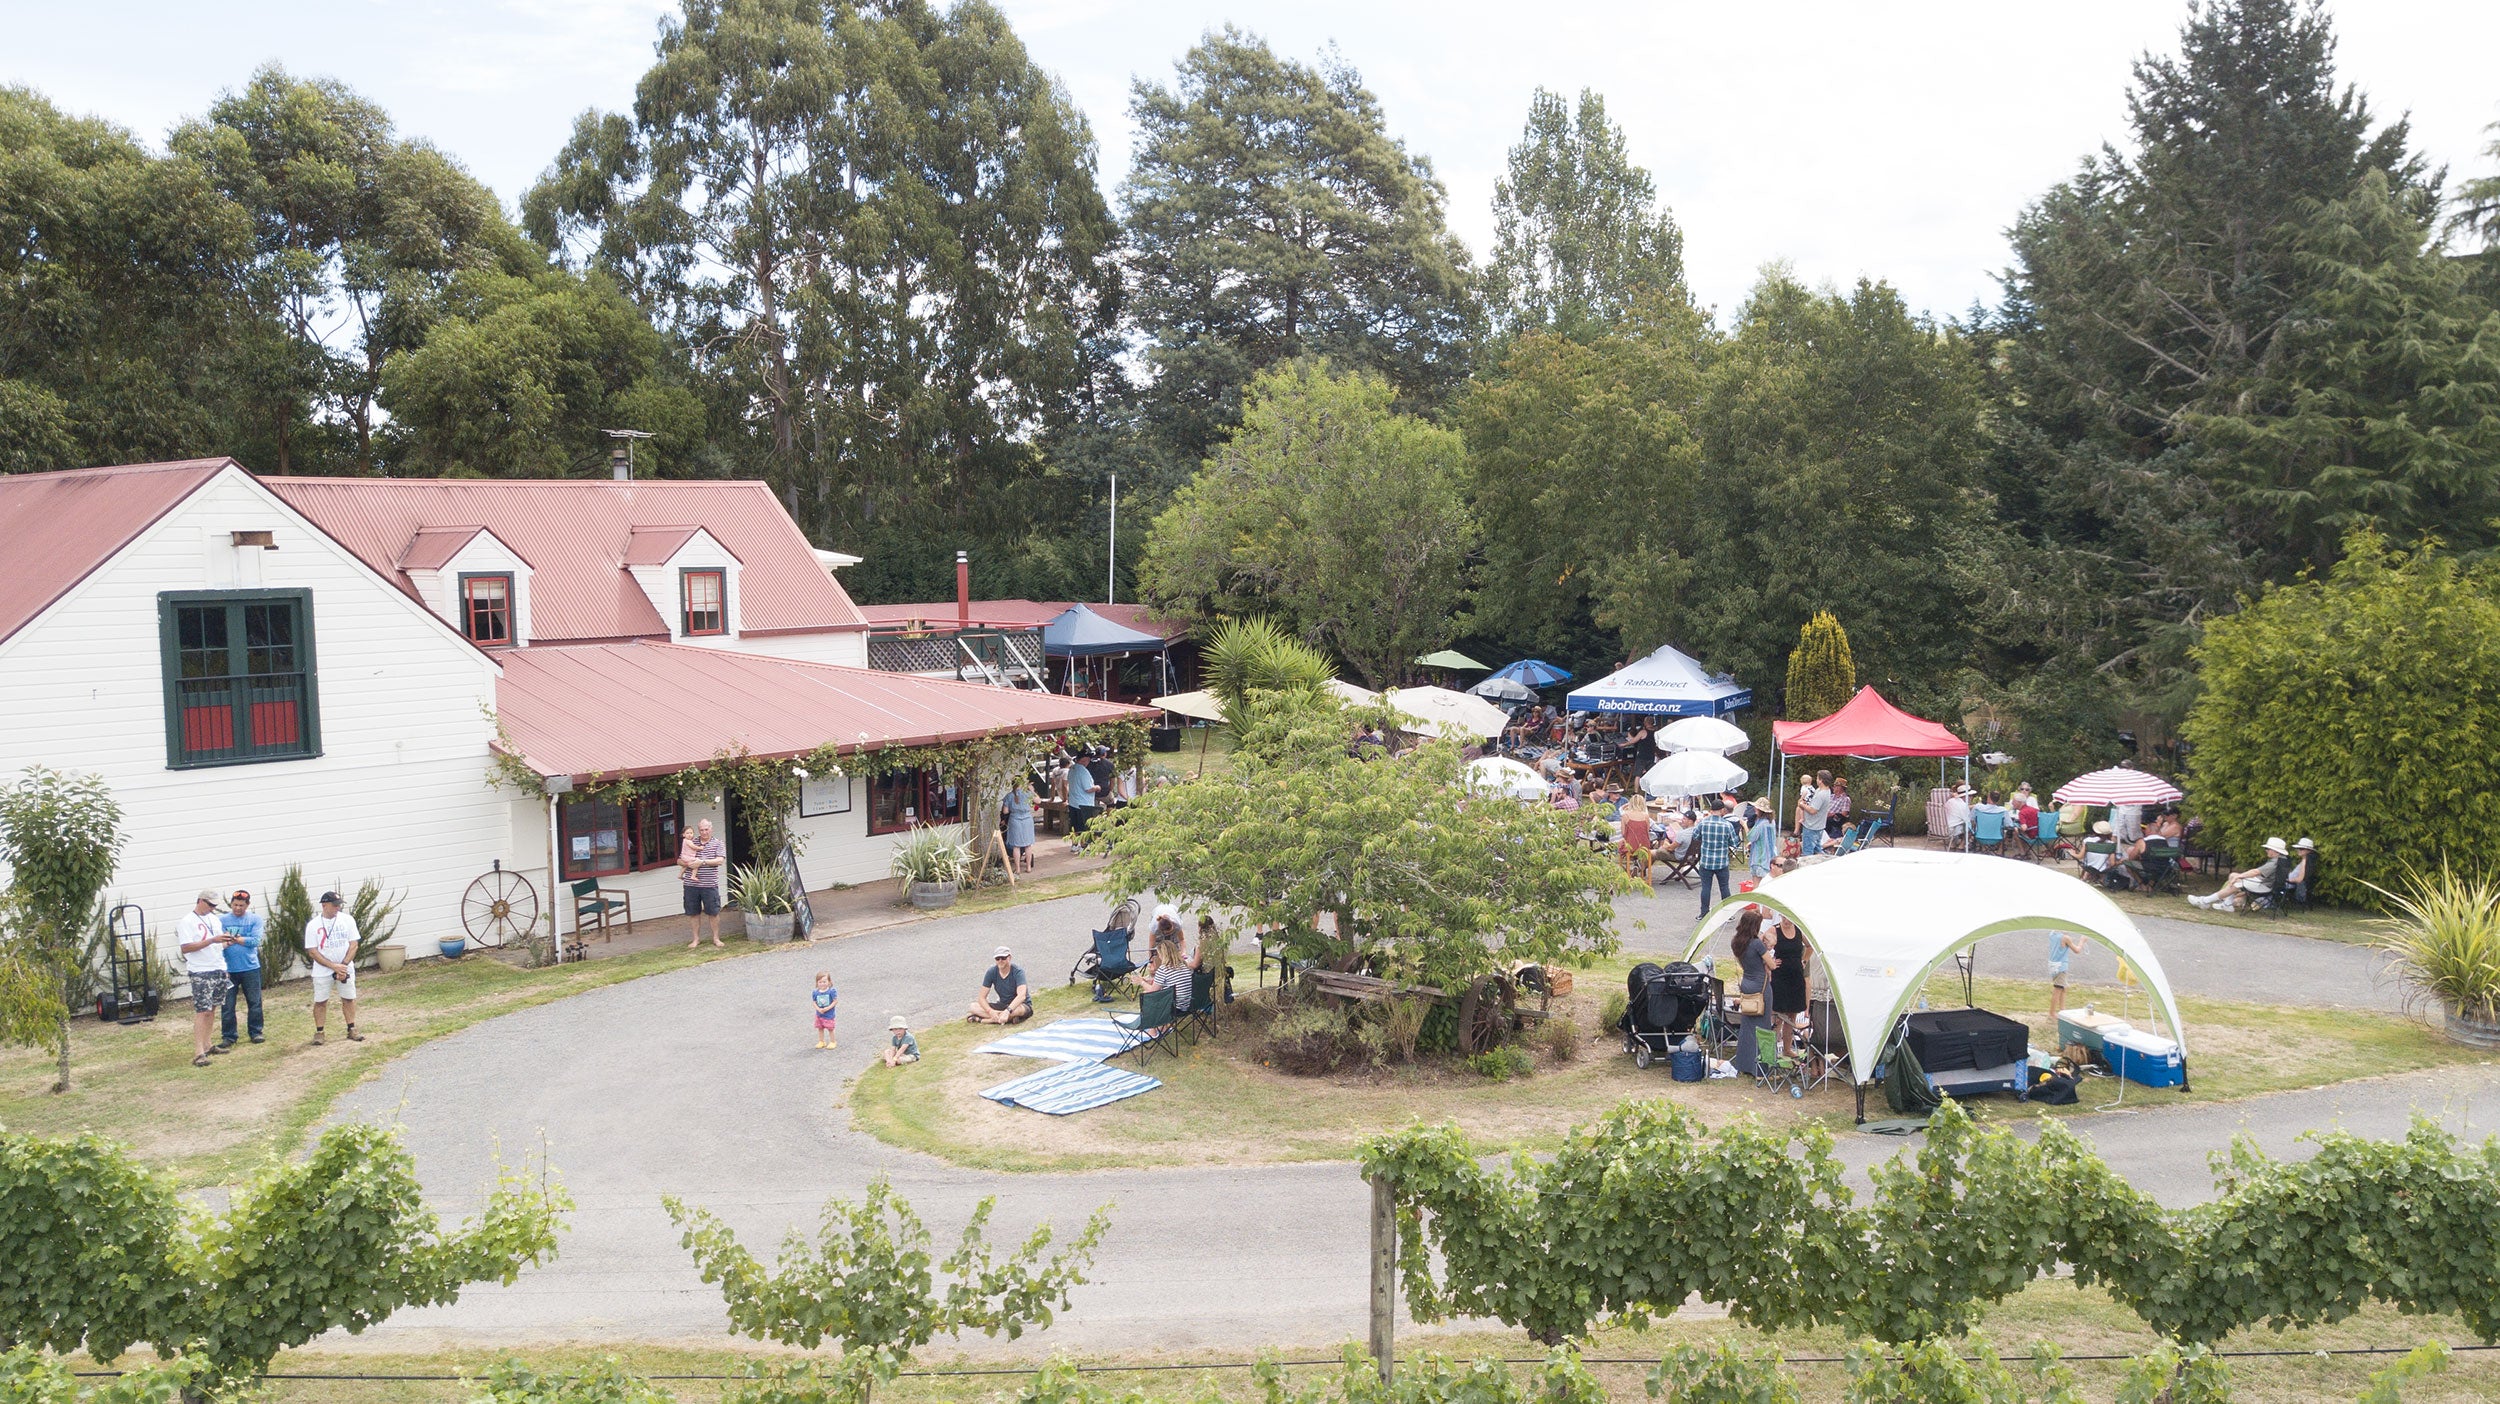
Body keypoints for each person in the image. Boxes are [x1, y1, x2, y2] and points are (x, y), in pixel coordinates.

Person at [179, 891, 236, 1068]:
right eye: (210, 905)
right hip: (200, 971)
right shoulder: (187, 921)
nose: (212, 908)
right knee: (202, 1010)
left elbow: (218, 945)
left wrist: (227, 941)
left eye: (215, 906)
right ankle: (198, 1052)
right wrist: (212, 940)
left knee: (212, 1009)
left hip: (217, 967)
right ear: (200, 901)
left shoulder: (214, 919)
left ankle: (208, 1044)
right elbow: (186, 948)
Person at [304, 889, 363, 1045]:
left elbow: (354, 944)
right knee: (321, 1000)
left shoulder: (347, 920)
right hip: (323, 970)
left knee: (349, 998)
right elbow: (313, 951)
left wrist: (343, 966)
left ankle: (352, 1028)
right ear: (324, 905)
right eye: (335, 905)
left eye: (339, 905)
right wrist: (333, 966)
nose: (338, 908)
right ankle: (319, 1031)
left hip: (345, 966)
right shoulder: (313, 925)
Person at [217, 887, 266, 1048]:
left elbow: (255, 941)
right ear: (231, 904)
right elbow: (218, 943)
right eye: (235, 905)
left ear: (247, 905)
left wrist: (236, 940)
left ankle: (256, 1031)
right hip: (228, 970)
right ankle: (229, 1036)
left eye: (241, 905)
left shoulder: (255, 920)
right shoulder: (222, 920)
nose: (238, 908)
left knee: (254, 1002)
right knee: (227, 1005)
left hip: (250, 967)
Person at [2190, 837, 2294, 912]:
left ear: (2275, 851)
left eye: (2268, 849)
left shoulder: (2274, 862)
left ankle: (2204, 901)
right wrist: (2238, 875)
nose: (2266, 851)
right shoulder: (2282, 860)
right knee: (2233, 875)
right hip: (2266, 884)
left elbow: (2256, 872)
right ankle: (2227, 904)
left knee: (2236, 882)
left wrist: (2240, 876)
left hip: (2264, 887)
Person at [1729, 907, 1773, 1075]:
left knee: (1747, 1026)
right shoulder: (1757, 944)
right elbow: (1772, 964)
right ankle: (1762, 1067)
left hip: (1746, 983)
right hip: (1760, 987)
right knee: (1763, 1027)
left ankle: (1744, 1063)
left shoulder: (1737, 942)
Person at [678, 818, 727, 948]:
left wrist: (702, 862)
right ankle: (696, 939)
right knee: (693, 913)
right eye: (701, 830)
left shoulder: (718, 843)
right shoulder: (690, 841)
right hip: (691, 884)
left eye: (706, 829)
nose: (704, 832)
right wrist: (688, 863)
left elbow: (720, 860)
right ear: (698, 830)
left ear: (711, 829)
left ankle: (716, 938)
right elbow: (679, 860)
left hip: (709, 884)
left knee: (713, 912)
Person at [1692, 800, 1741, 919]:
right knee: (1724, 887)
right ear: (1723, 810)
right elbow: (1734, 843)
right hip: (1721, 862)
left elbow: (1695, 836)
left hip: (1706, 861)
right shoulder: (1727, 825)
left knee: (1706, 888)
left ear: (1711, 810)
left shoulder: (1703, 823)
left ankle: (1704, 913)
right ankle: (1727, 914)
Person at [1770, 911, 1810, 1059]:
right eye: (1784, 917)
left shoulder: (1799, 930)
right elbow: (1761, 947)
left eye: (1789, 918)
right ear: (1780, 916)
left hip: (1796, 978)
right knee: (1778, 1016)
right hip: (1780, 978)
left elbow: (1810, 946)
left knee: (1792, 1016)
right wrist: (1770, 961)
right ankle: (1772, 1051)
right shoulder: (1775, 930)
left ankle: (1787, 1048)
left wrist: (1804, 960)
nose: (1787, 921)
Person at [969, 946, 1032, 1024]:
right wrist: (990, 1011)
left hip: (1020, 1005)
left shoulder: (1018, 972)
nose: (1000, 961)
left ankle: (985, 1020)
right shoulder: (991, 972)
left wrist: (1008, 1011)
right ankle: (1006, 1018)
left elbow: (1022, 996)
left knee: (1018, 1010)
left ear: (1009, 958)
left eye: (1003, 958)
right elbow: (981, 998)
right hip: (1002, 1004)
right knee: (973, 1007)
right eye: (997, 958)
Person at [2047, 931, 2087, 1021]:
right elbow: (2077, 950)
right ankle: (2052, 1013)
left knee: (2064, 988)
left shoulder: (2052, 933)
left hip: (2053, 965)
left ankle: (2062, 1009)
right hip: (2061, 966)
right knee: (2058, 989)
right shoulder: (2065, 938)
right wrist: (2082, 941)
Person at [1003, 777, 1038, 875]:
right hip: (1027, 819)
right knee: (1028, 845)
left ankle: (1017, 869)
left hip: (1014, 820)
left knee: (1016, 846)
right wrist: (1032, 790)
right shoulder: (1027, 793)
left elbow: (1005, 811)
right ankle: (1028, 867)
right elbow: (1038, 801)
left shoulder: (1009, 796)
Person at [1065, 752, 1100, 845]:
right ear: (1085, 760)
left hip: (1073, 801)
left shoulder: (1072, 769)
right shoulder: (1083, 771)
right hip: (1084, 803)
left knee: (1074, 825)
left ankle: (1074, 844)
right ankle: (1084, 845)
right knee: (1084, 826)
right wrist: (1097, 787)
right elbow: (1088, 789)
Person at [1798, 773, 1832, 853]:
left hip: (1811, 826)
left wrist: (1802, 805)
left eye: (1817, 778)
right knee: (1817, 848)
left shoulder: (1821, 795)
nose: (1816, 780)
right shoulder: (1825, 790)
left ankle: (1807, 865)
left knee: (1807, 851)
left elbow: (1813, 810)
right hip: (1819, 825)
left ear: (1821, 780)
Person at [1746, 799, 1777, 881]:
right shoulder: (1771, 822)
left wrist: (1744, 825)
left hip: (1759, 858)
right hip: (1770, 856)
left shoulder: (1761, 824)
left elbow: (1751, 837)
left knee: (1757, 885)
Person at [812, 971, 839, 1050]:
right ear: (817, 983)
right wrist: (818, 1009)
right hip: (819, 1014)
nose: (822, 984)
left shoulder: (831, 991)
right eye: (820, 982)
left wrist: (828, 1008)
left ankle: (833, 1041)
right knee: (820, 1028)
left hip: (829, 1014)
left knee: (830, 1028)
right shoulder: (815, 992)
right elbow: (814, 1002)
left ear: (829, 982)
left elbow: (835, 1001)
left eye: (824, 982)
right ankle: (821, 1041)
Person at [1944, 784, 1974, 850]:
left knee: (1958, 823)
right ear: (1966, 796)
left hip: (1943, 828)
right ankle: (1961, 846)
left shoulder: (1950, 801)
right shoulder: (1963, 806)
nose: (1972, 797)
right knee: (1969, 828)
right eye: (1971, 796)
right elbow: (1968, 821)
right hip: (1952, 830)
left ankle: (1952, 844)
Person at [2290, 838, 2319, 904]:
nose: (2298, 850)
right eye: (2298, 848)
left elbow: (2300, 879)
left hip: (2289, 883)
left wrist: (2288, 880)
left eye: (2301, 849)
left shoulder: (2305, 861)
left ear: (2308, 851)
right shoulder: (2308, 861)